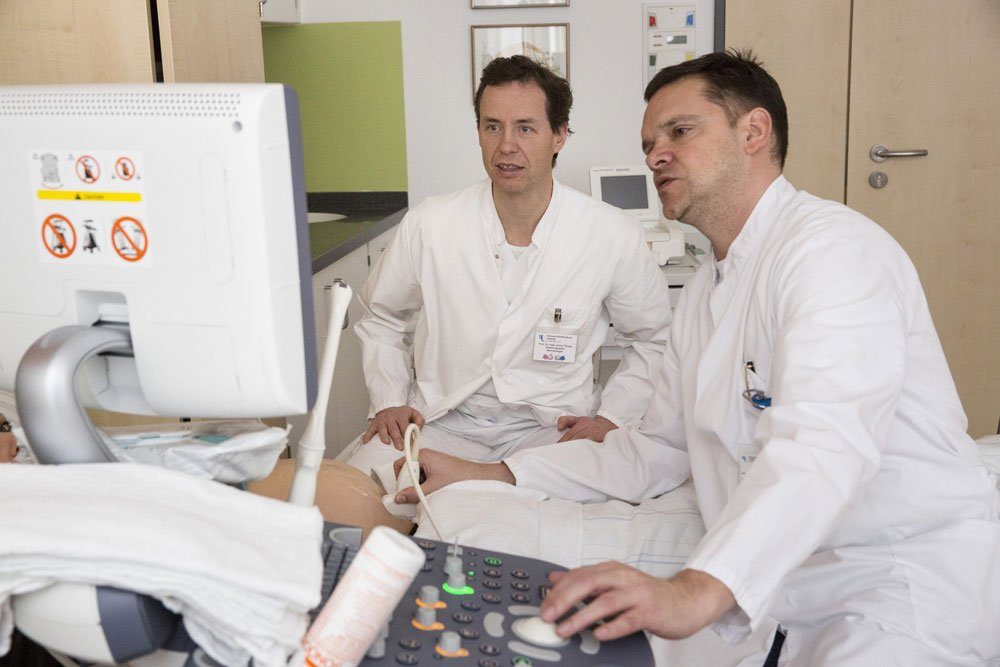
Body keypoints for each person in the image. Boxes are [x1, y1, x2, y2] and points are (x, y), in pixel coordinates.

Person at [395, 51, 1000, 665]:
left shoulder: (832, 254)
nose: (656, 154)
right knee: (481, 533)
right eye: (650, 141)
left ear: (754, 133)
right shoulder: (709, 289)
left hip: (888, 574)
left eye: (679, 132)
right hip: (774, 574)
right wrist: (493, 474)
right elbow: (653, 451)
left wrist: (693, 592)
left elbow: (824, 445)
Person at [339, 56, 672, 479]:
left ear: (559, 136)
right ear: (478, 133)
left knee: (602, 487)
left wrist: (612, 417)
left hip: (552, 430)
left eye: (525, 128)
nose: (506, 145)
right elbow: (381, 314)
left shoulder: (609, 234)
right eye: (492, 126)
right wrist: (388, 399)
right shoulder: (431, 224)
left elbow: (654, 338)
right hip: (442, 420)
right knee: (361, 484)